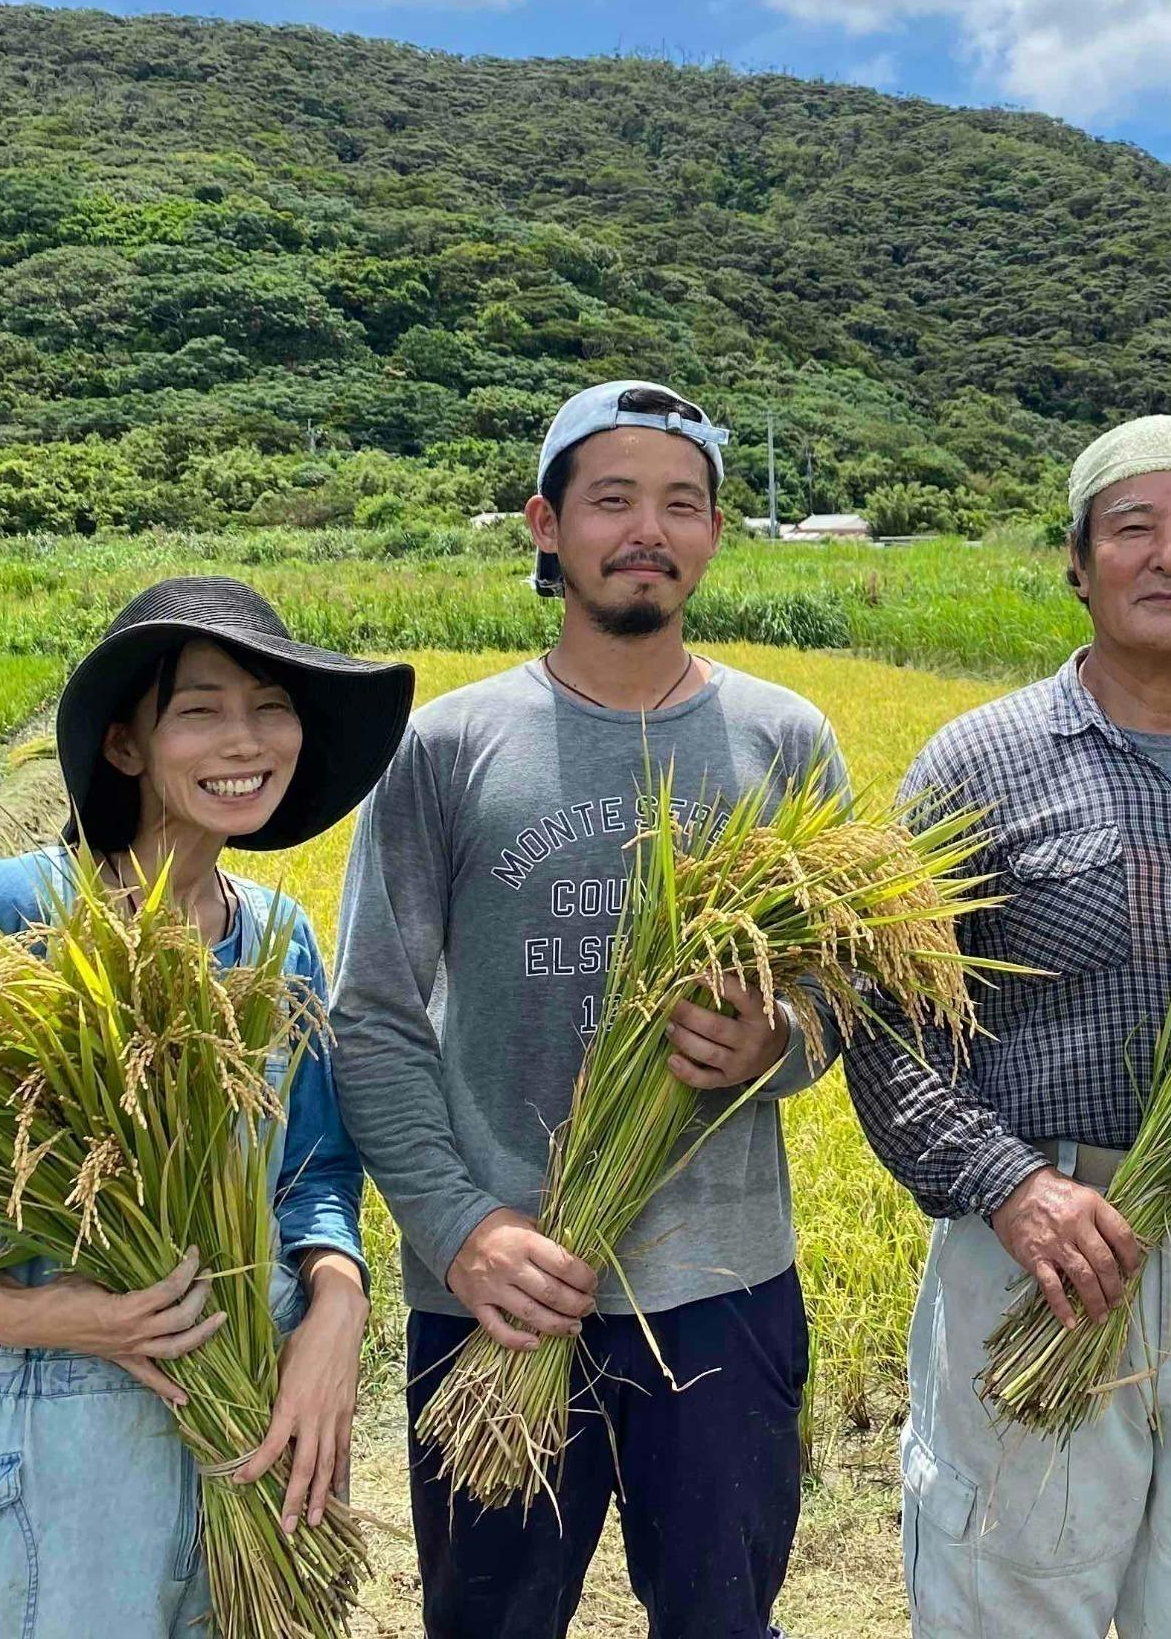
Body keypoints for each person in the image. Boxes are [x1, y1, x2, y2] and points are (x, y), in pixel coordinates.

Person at [330, 380, 851, 1639]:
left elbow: (853, 992)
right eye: (611, 499)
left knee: (724, 1619)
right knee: (490, 1622)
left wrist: (779, 1044)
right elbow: (375, 1019)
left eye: (682, 504)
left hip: (719, 1284)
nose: (647, 530)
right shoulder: (450, 748)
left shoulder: (786, 742)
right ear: (545, 526)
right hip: (496, 1287)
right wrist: (461, 1232)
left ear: (715, 534)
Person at [844, 416, 1171, 1639]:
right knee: (1013, 1584)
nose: (1169, 556)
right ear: (1079, 563)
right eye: (1133, 529)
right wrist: (1009, 1188)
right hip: (1038, 1236)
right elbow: (877, 1019)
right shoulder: (978, 764)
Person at [0, 576, 410, 1638]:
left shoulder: (276, 935)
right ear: (125, 747)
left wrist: (338, 1306)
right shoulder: (14, 919)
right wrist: (30, 1313)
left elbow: (315, 1171)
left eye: (270, 704)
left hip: (260, 1434)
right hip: (58, 1437)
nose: (245, 738)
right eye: (199, 709)